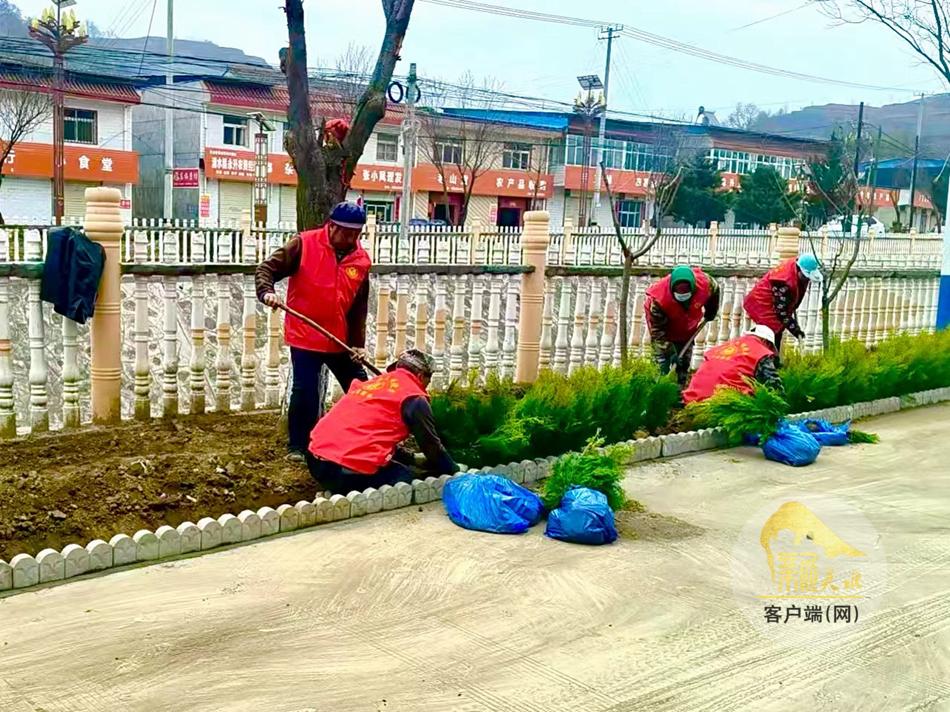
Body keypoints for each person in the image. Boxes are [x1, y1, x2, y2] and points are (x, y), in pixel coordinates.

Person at [256, 201, 371, 462]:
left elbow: (358, 306)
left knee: (361, 387)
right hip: (305, 334)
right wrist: (267, 292)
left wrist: (357, 343)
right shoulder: (304, 244)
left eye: (355, 234)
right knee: (305, 391)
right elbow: (267, 269)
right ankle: (298, 446)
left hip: (339, 339)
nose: (350, 239)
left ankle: (369, 438)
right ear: (331, 226)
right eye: (345, 232)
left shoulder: (361, 261)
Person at [306, 349, 459, 493]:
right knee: (408, 480)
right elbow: (430, 445)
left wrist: (411, 458)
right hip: (343, 469)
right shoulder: (414, 398)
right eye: (428, 379)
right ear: (420, 376)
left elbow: (371, 435)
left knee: (397, 468)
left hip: (315, 461)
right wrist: (453, 471)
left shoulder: (376, 384)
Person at [644, 264, 720, 384]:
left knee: (683, 360)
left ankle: (680, 384)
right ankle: (658, 383)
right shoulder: (658, 300)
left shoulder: (706, 284)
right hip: (665, 326)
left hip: (687, 325)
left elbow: (715, 290)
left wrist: (711, 310)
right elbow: (658, 333)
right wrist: (670, 352)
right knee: (662, 360)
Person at [743, 254, 822, 355]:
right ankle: (767, 359)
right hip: (761, 304)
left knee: (774, 335)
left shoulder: (797, 266)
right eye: (806, 277)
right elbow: (781, 312)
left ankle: (770, 357)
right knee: (771, 335)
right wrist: (795, 330)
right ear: (799, 270)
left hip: (773, 303)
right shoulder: (783, 282)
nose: (807, 280)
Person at [682, 325, 783, 404]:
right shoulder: (761, 352)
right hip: (724, 404)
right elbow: (774, 386)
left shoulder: (724, 346)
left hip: (693, 399)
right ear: (766, 342)